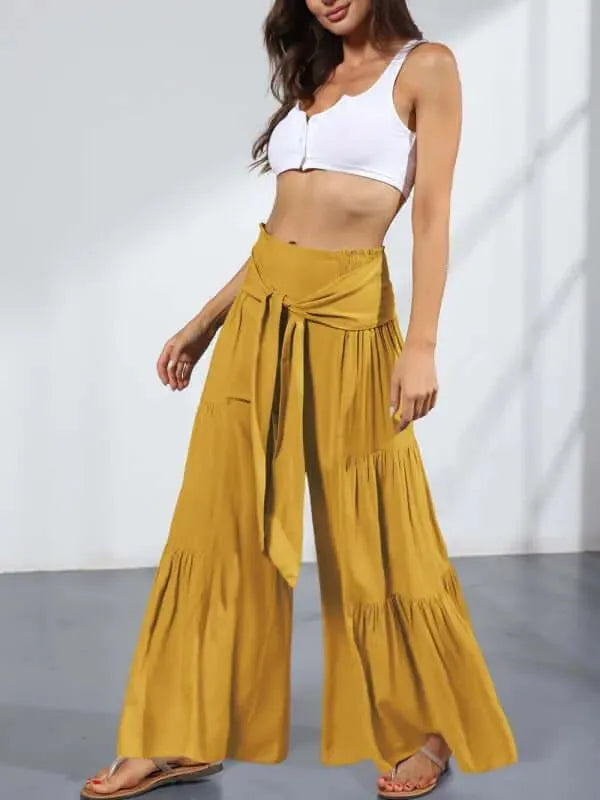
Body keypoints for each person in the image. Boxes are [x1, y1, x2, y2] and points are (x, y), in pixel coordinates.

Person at [81, 1, 518, 798]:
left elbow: (430, 214)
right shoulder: (314, 75)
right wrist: (204, 322)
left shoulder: (426, 67)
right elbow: (281, 229)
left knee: (376, 531)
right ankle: (177, 732)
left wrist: (422, 343)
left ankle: (423, 729)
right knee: (214, 524)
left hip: (351, 320)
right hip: (259, 319)